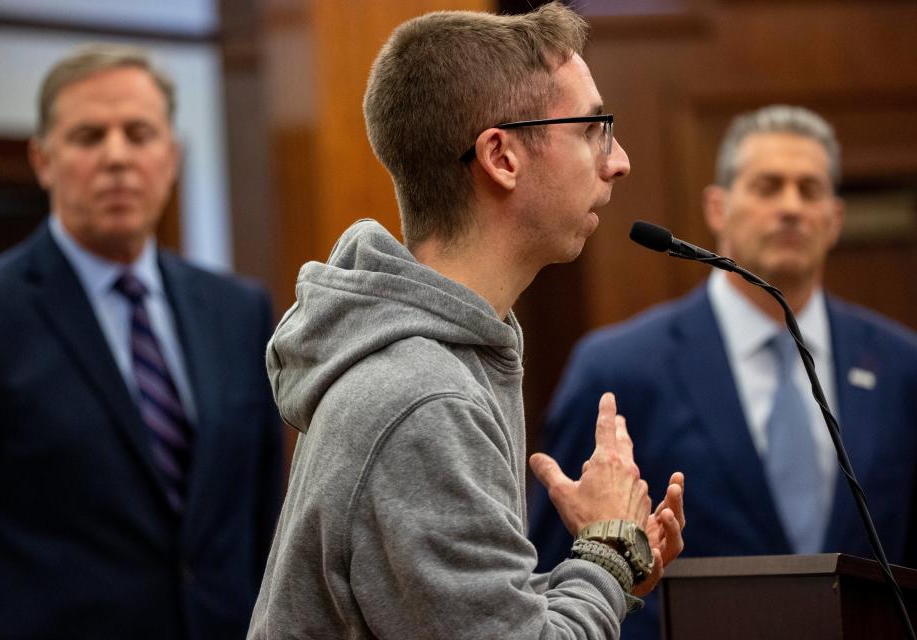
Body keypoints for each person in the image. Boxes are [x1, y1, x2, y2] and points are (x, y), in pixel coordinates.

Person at [248, 4, 685, 639]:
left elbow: (454, 616)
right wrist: (607, 553)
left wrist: (606, 566)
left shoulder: (450, 359)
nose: (618, 161)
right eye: (593, 127)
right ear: (501, 156)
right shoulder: (425, 398)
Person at [529, 104, 917, 639]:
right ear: (717, 208)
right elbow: (554, 573)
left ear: (835, 219)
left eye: (809, 189)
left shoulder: (900, 367)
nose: (790, 207)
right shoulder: (620, 368)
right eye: (767, 186)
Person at [0, 44, 283, 640]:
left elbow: (264, 515)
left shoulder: (239, 311)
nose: (116, 157)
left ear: (172, 154)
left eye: (138, 133)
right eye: (88, 136)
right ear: (42, 160)